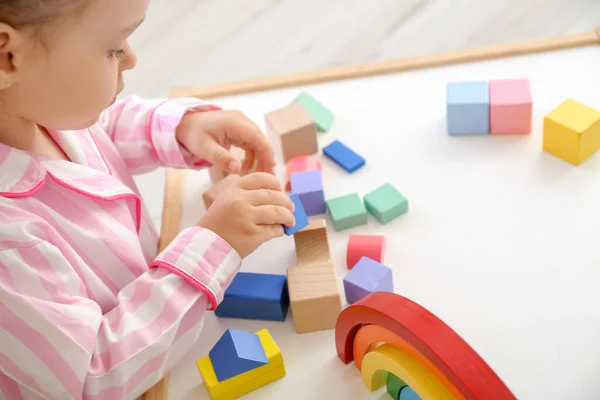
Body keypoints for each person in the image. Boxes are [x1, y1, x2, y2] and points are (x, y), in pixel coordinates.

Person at [0, 0, 296, 398]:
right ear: (7, 57)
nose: (132, 59)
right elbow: (92, 377)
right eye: (114, 46)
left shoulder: (32, 108)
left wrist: (178, 128)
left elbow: (97, 128)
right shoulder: (8, 240)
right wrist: (210, 248)